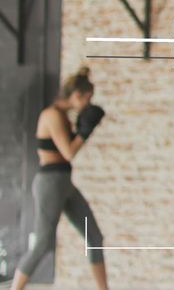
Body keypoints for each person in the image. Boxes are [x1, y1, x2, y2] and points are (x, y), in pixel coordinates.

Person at [12, 66, 108, 290]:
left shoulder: (63, 116)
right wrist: (85, 132)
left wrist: (82, 130)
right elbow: (68, 152)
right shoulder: (51, 115)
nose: (87, 104)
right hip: (50, 183)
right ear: (77, 95)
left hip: (64, 183)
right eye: (87, 99)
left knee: (95, 237)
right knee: (43, 244)